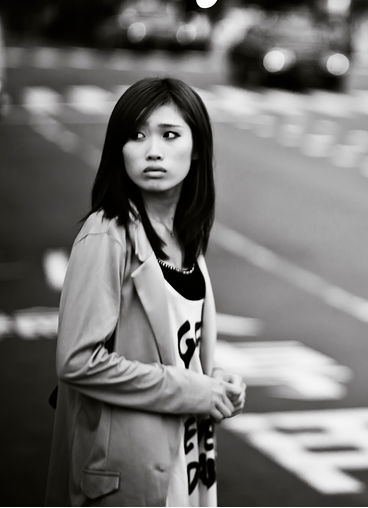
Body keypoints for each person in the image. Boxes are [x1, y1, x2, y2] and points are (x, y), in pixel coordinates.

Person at [45, 77, 246, 506]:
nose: (152, 150)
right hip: (127, 476)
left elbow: (176, 352)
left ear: (196, 148)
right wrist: (194, 391)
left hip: (189, 466)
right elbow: (77, 360)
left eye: (169, 135)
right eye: (136, 136)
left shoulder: (186, 239)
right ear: (119, 150)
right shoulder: (108, 234)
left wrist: (215, 383)